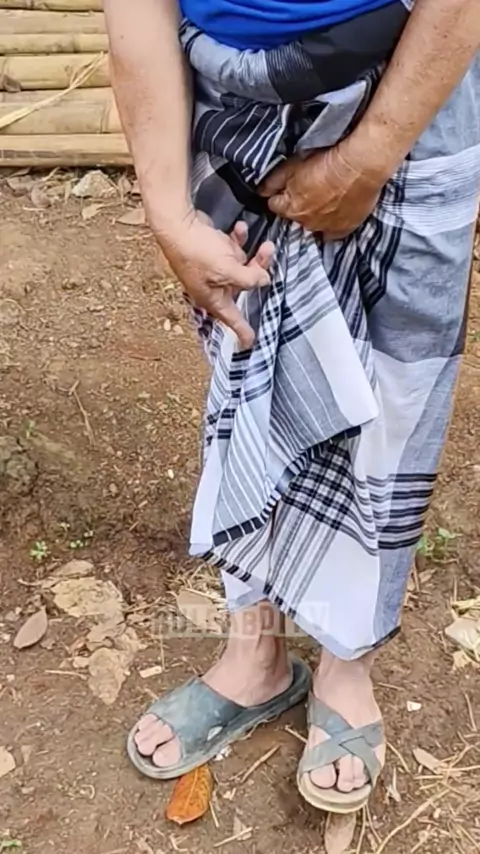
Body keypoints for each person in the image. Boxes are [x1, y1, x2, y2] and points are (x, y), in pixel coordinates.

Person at [104, 0, 480, 814]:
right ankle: (257, 655)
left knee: (392, 398)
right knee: (248, 372)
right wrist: (167, 210)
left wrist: (366, 158)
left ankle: (347, 662)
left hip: (413, 87)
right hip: (229, 107)